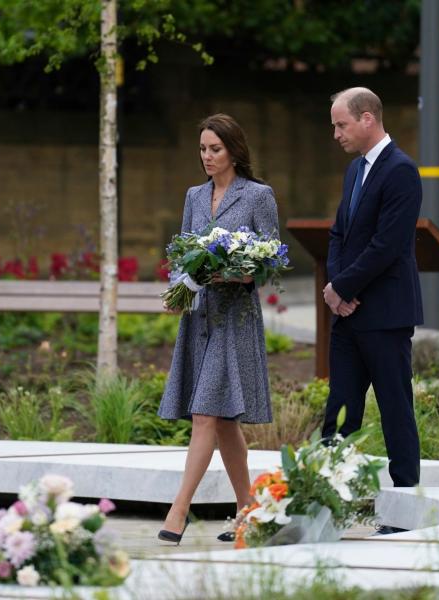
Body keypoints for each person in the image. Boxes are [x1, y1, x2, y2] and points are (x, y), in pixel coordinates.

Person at [157, 113, 278, 544]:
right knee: (225, 422)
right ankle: (250, 512)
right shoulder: (194, 195)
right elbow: (185, 254)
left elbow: (271, 260)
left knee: (205, 412)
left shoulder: (257, 195)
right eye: (203, 150)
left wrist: (243, 272)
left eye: (215, 149)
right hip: (199, 316)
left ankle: (179, 510)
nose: (207, 157)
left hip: (236, 318)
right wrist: (178, 292)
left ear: (234, 150)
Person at [321, 88, 423, 507]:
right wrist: (335, 290)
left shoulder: (401, 171)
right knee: (339, 413)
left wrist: (343, 287)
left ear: (367, 119)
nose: (335, 134)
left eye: (340, 124)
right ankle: (324, 500)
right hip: (348, 316)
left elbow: (387, 245)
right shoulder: (354, 171)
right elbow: (339, 234)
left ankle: (405, 505)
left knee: (395, 410)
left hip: (384, 314)